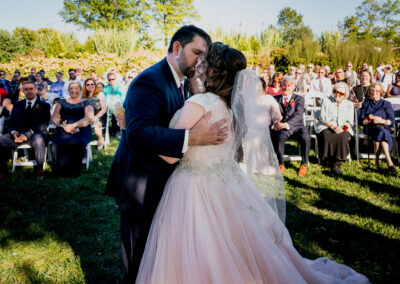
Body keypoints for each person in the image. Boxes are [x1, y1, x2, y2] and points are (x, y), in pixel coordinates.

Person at [136, 42, 369, 284]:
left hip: (194, 189)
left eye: (203, 62)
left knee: (197, 250)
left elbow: (169, 154)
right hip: (224, 185)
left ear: (212, 71)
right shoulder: (228, 105)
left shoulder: (201, 102)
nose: (198, 65)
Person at [104, 25, 223, 282]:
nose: (200, 60)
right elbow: (139, 135)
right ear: (177, 47)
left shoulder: (179, 80)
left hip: (161, 181)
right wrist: (192, 138)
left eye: (204, 56)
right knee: (138, 258)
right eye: (196, 53)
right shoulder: (151, 80)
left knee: (154, 255)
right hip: (141, 183)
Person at [0, 81, 50, 180]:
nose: (29, 91)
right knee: (1, 140)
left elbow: (43, 124)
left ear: (36, 90)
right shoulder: (18, 105)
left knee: (39, 139)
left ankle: (39, 170)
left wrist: (26, 135)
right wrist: (13, 132)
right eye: (26, 89)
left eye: (31, 89)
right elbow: (11, 123)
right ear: (23, 92)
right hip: (18, 135)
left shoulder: (44, 105)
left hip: (36, 134)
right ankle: (2, 170)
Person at [51, 82, 93, 176]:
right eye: (71, 89)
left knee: (77, 143)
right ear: (68, 90)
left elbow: (88, 118)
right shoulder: (61, 102)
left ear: (80, 90)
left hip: (81, 129)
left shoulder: (86, 102)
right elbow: (54, 117)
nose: (73, 90)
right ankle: (60, 169)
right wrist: (63, 126)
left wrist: (74, 125)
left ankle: (73, 171)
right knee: (57, 143)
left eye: (76, 88)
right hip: (63, 128)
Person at [271, 76, 311, 177]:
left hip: (297, 126)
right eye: (284, 85)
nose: (286, 87)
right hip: (283, 128)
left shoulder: (299, 99)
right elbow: (271, 114)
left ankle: (304, 164)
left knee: (306, 136)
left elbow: (298, 115)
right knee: (279, 136)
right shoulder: (275, 99)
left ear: (293, 87)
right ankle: (281, 163)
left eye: (289, 85)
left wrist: (285, 124)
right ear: (281, 86)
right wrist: (275, 123)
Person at [316, 82, 354, 174]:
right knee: (327, 134)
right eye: (336, 92)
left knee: (342, 136)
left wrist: (342, 128)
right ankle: (327, 159)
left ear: (345, 95)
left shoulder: (349, 104)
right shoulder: (326, 101)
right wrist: (333, 126)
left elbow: (350, 121)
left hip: (343, 127)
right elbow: (323, 117)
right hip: (327, 125)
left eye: (341, 93)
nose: (338, 94)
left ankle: (337, 162)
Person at [359, 82, 396, 172]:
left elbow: (391, 120)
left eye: (377, 91)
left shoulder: (386, 104)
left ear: (381, 92)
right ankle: (389, 161)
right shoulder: (366, 104)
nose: (374, 92)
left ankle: (377, 160)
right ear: (369, 92)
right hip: (370, 128)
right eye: (372, 90)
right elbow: (361, 121)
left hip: (384, 127)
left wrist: (382, 121)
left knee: (381, 132)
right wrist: (369, 119)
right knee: (381, 132)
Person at [82, 78, 107, 149]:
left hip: (99, 115)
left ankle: (100, 138)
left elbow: (104, 109)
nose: (90, 86)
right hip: (86, 115)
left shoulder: (100, 94)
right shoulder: (83, 96)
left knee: (96, 127)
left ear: (95, 85)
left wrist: (95, 118)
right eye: (88, 85)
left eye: (92, 84)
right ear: (85, 86)